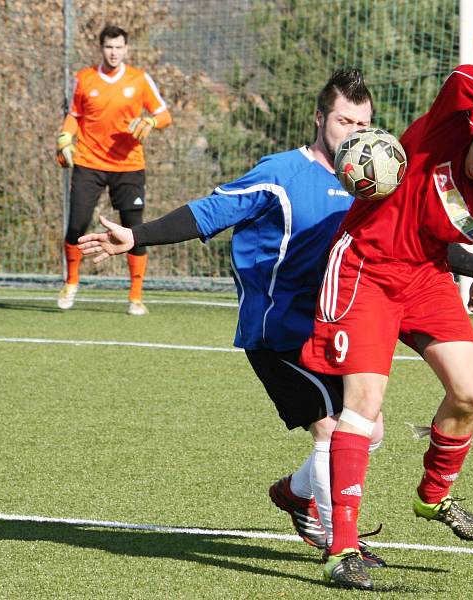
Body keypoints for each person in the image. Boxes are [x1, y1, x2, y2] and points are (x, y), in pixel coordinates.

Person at [76, 68, 388, 565]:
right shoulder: (280, 174)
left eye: (363, 123)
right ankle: (340, 546)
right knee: (332, 429)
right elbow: (208, 213)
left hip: (335, 330)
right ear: (318, 118)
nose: (354, 133)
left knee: (368, 432)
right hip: (278, 330)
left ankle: (294, 493)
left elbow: (409, 243)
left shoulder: (369, 182)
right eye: (344, 121)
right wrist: (137, 237)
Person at [299, 64, 473, 590]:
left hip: (426, 279)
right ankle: (341, 550)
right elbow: (465, 74)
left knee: (471, 391)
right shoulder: (449, 126)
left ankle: (432, 497)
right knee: (363, 406)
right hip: (365, 267)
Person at [56, 24, 172, 316]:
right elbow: (74, 115)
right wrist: (64, 137)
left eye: (119, 47)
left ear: (126, 49)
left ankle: (135, 296)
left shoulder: (139, 79)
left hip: (129, 166)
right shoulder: (84, 79)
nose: (114, 52)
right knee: (77, 225)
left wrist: (151, 123)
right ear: (101, 48)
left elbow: (164, 114)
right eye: (109, 47)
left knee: (134, 229)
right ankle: (71, 281)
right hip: (88, 163)